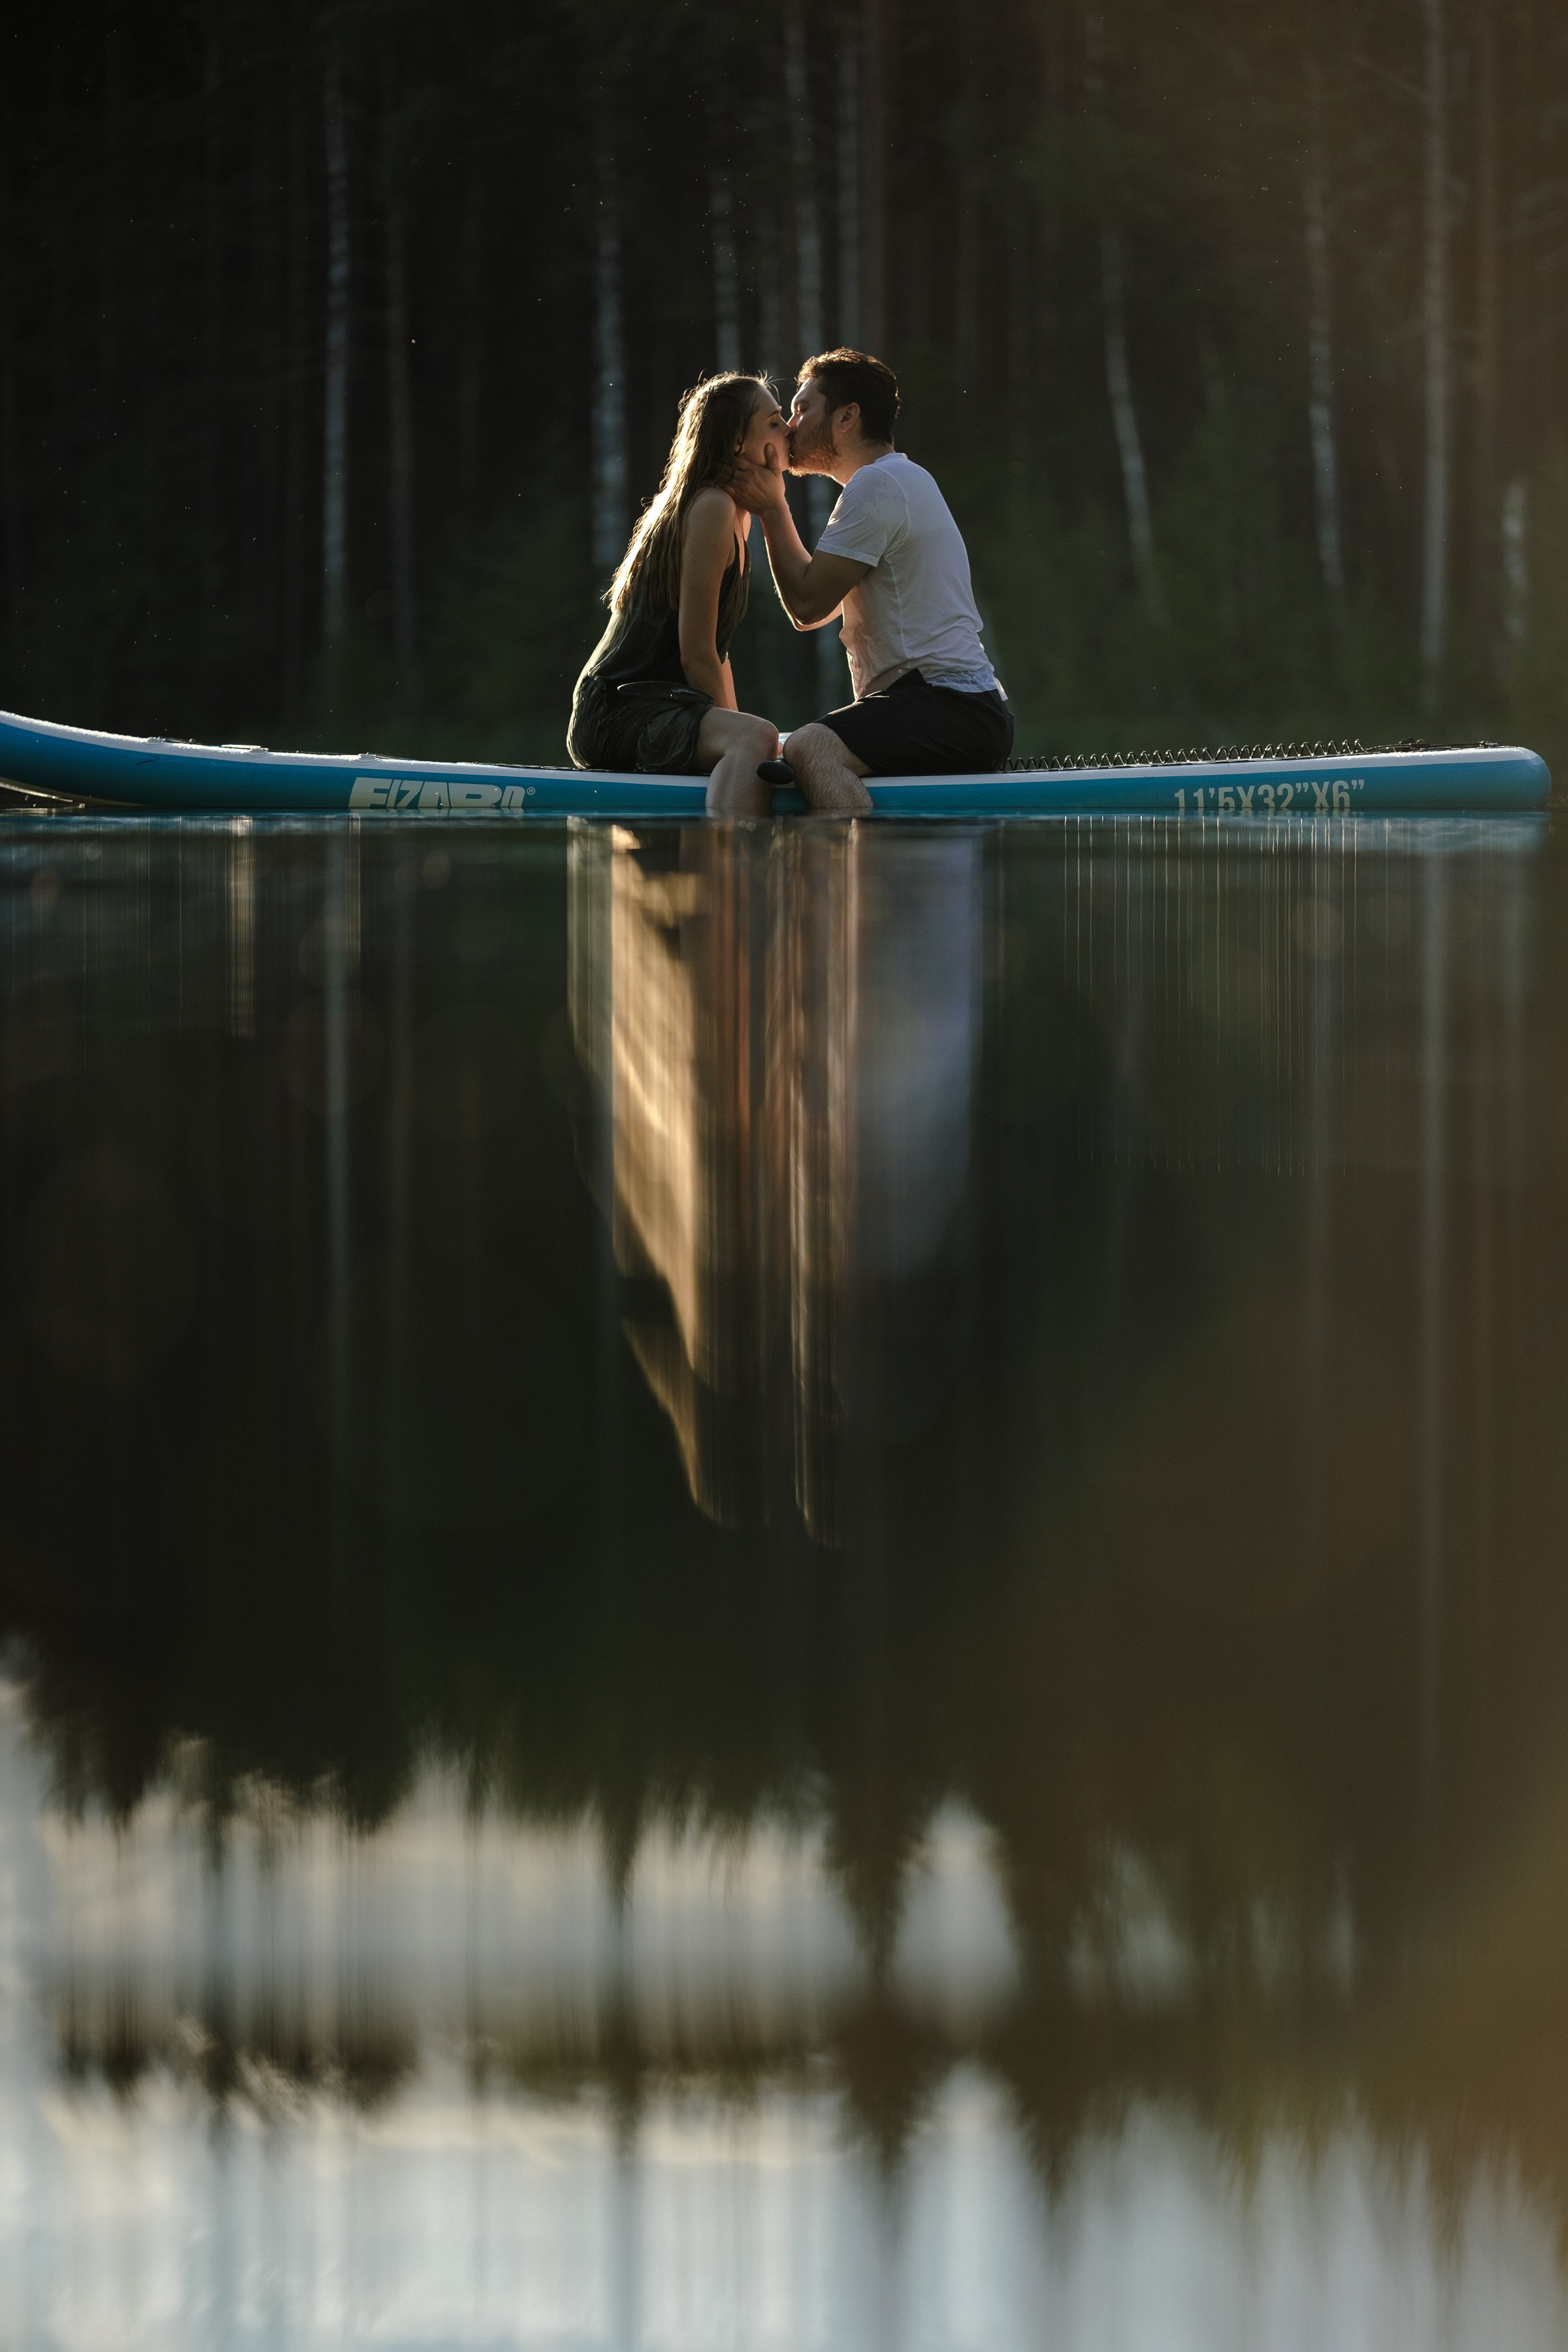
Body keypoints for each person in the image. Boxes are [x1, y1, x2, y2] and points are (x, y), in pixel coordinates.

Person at [727, 348, 1013, 815]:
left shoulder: (877, 486)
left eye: (802, 409)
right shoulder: (896, 479)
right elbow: (811, 605)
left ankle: (864, 872)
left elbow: (806, 605)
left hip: (947, 706)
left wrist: (771, 507)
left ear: (847, 417)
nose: (791, 424)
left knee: (809, 748)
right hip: (957, 706)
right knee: (787, 744)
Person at [568, 374, 788, 813]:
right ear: (738, 443)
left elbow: (717, 654)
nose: (789, 428)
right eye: (774, 421)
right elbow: (696, 653)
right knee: (760, 736)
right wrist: (745, 737)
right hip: (614, 713)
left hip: (657, 710)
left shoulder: (735, 515)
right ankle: (722, 867)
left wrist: (739, 732)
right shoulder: (713, 507)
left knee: (769, 738)